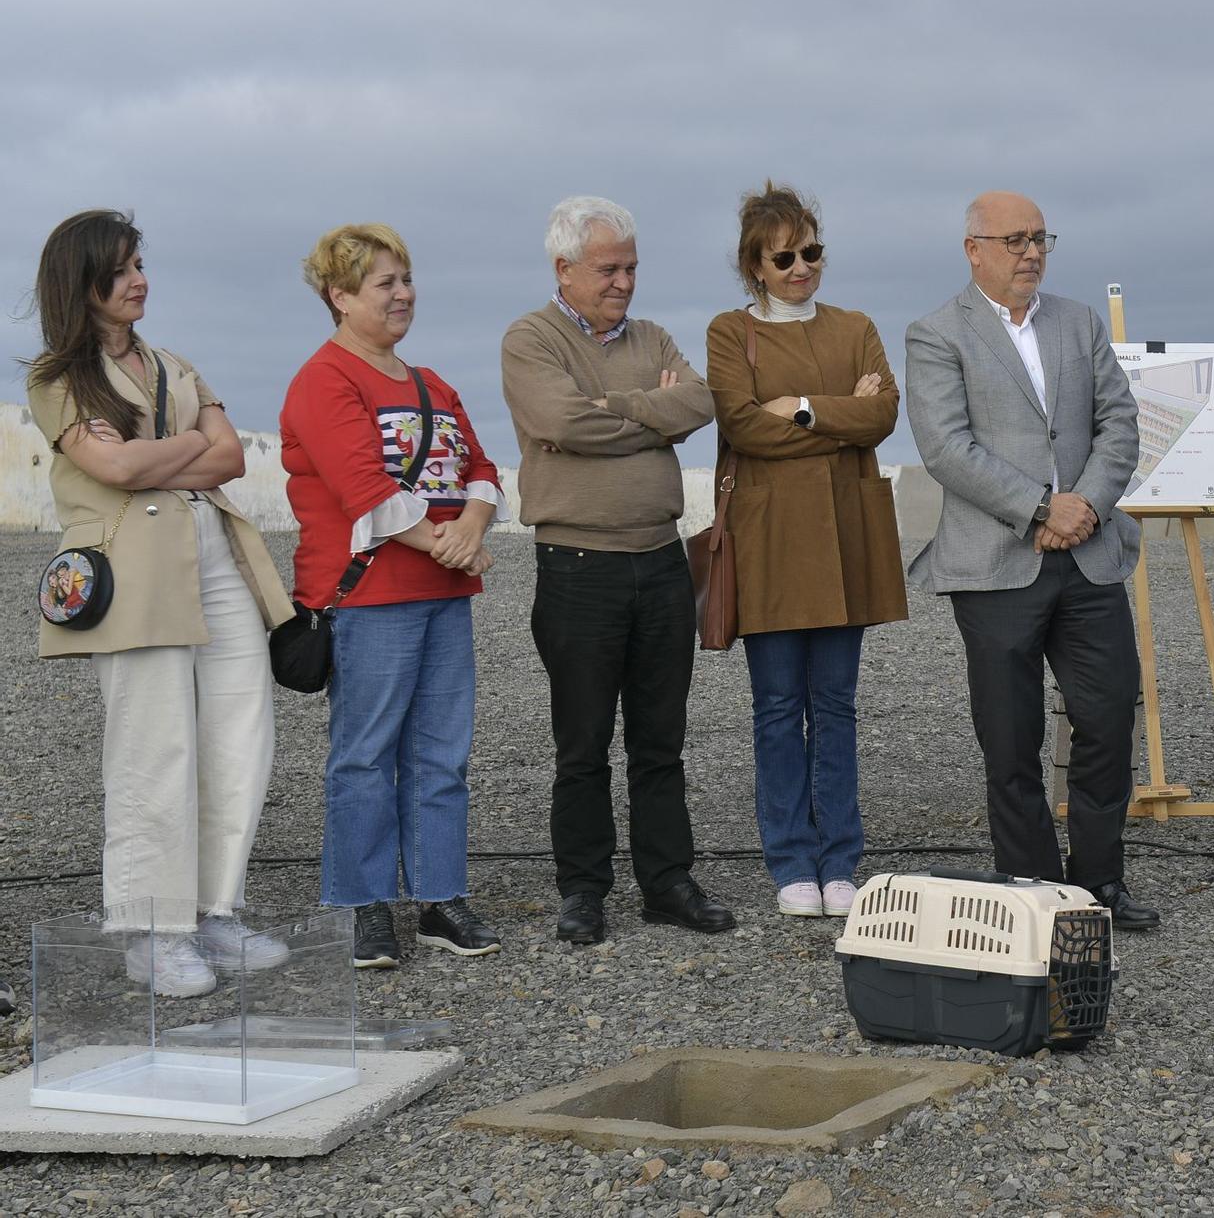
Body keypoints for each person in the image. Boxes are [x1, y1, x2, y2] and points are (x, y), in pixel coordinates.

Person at [26, 210, 294, 997]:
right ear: (82, 282)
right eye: (120, 269)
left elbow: (231, 456)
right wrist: (188, 446)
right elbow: (114, 470)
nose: (138, 280)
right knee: (154, 743)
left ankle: (215, 910)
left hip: (215, 553)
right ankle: (152, 930)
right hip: (131, 568)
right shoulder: (56, 377)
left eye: (139, 264)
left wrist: (155, 455)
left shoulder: (174, 363)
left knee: (241, 727)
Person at [905, 190, 1158, 931]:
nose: (1031, 252)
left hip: (1089, 557)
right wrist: (1043, 508)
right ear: (973, 250)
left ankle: (1099, 884)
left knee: (1108, 718)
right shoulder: (935, 334)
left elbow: (1120, 422)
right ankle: (1036, 892)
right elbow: (947, 448)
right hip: (994, 566)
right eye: (1014, 240)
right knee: (1011, 739)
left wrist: (1084, 507)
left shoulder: (1079, 323)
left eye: (1040, 238)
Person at [501, 196, 731, 944]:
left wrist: (614, 408)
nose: (624, 282)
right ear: (564, 268)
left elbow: (700, 402)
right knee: (583, 742)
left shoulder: (654, 335)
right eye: (608, 269)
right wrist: (651, 418)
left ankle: (667, 881)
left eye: (631, 267)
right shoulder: (530, 340)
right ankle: (584, 889)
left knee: (661, 740)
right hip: (578, 566)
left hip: (661, 561)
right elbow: (560, 421)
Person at [283, 223, 507, 969]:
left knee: (443, 753)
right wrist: (449, 542)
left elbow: (481, 468)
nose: (404, 293)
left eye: (406, 279)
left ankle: (441, 898)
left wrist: (471, 526)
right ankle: (361, 904)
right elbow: (363, 490)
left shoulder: (431, 382)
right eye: (385, 283)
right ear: (340, 297)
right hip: (370, 598)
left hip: (444, 592)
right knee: (366, 754)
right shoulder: (323, 380)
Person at [704, 184, 907, 918]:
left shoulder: (856, 326)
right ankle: (791, 859)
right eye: (784, 257)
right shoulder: (730, 333)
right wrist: (840, 416)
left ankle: (839, 859)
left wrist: (798, 408)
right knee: (777, 706)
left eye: (811, 252)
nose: (802, 267)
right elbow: (741, 425)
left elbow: (883, 415)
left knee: (837, 706)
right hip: (769, 542)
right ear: (754, 266)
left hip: (845, 536)